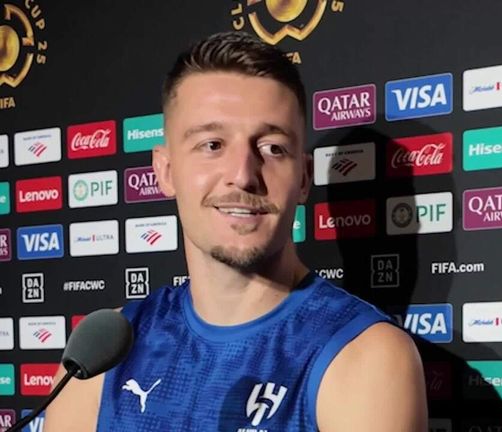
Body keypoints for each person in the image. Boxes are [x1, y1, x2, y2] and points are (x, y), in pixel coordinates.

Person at [44, 31, 427, 432]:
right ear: (165, 171)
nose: (243, 175)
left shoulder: (364, 356)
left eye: (273, 148)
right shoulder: (105, 354)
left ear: (303, 179)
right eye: (212, 145)